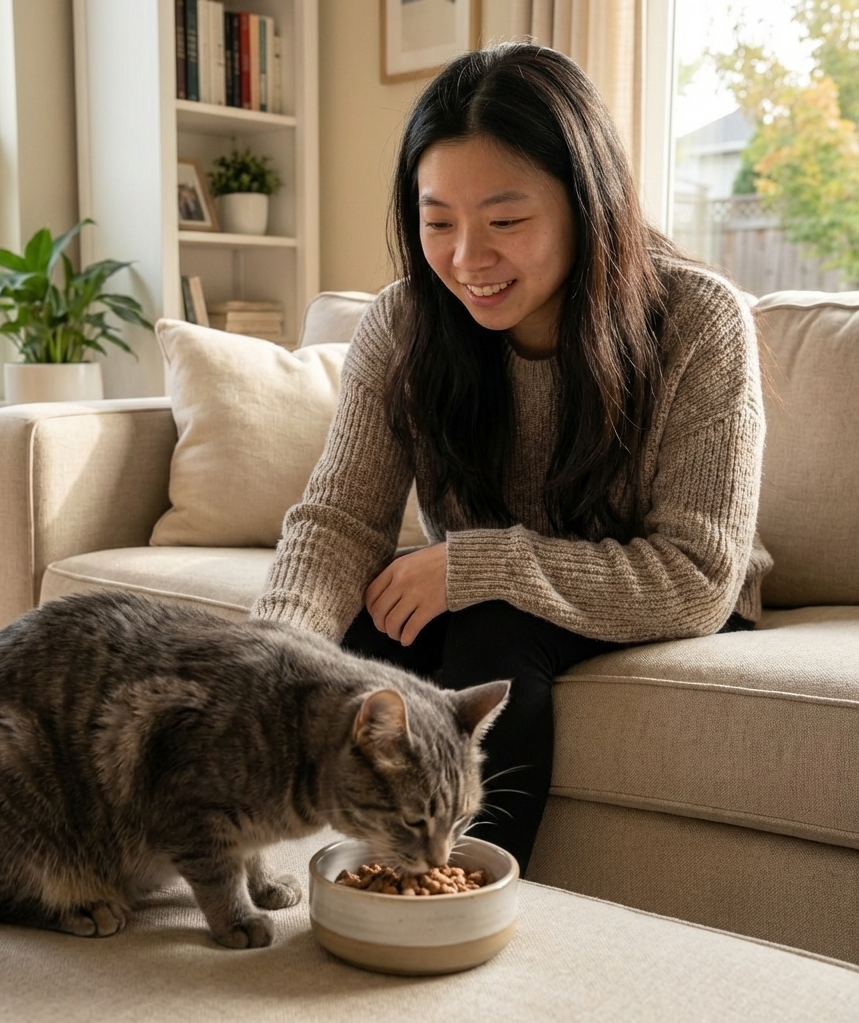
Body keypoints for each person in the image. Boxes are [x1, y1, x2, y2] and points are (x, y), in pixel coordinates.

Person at [250, 43, 772, 874]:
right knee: (354, 647)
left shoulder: (699, 322)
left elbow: (697, 576)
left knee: (491, 622)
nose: (466, 259)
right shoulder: (402, 324)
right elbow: (341, 517)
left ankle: (468, 896)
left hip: (655, 594)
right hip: (482, 582)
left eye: (504, 221)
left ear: (586, 205)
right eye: (438, 221)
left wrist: (474, 563)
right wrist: (268, 658)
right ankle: (339, 878)